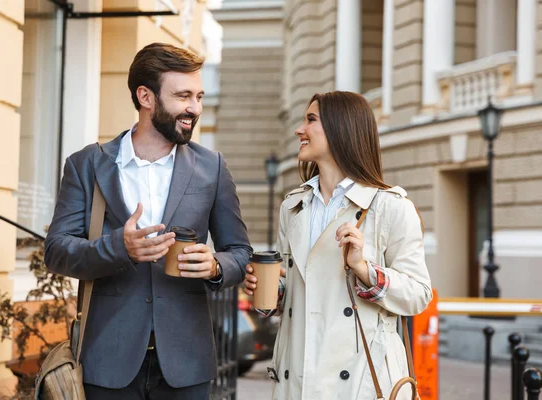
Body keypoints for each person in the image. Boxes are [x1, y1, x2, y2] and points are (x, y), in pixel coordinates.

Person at [44, 42, 252, 399]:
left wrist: (216, 266)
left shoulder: (212, 167)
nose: (194, 108)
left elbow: (240, 251)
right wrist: (118, 247)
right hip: (107, 363)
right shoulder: (87, 165)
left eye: (199, 96)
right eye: (183, 95)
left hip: (187, 365)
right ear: (146, 96)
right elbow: (57, 251)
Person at [244, 91, 432, 400]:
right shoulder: (293, 207)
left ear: (340, 128)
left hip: (361, 381)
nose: (299, 130)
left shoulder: (389, 207)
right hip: (297, 376)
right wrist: (268, 291)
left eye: (311, 120)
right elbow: (298, 294)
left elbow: (418, 295)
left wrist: (362, 268)